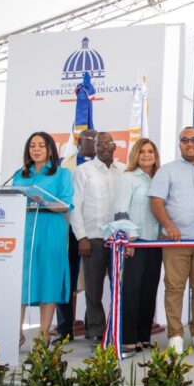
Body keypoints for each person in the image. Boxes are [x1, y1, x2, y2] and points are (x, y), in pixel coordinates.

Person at [149, 127, 194, 354]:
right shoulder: (167, 171)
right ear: (180, 144)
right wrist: (169, 226)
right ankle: (175, 334)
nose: (190, 144)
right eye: (185, 140)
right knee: (174, 288)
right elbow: (156, 201)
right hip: (176, 240)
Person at [14, 132, 73, 347]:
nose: (36, 149)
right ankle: (15, 332)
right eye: (32, 145)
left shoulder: (62, 173)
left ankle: (43, 334)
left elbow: (65, 204)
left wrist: (43, 201)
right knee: (19, 280)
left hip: (50, 229)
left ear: (50, 149)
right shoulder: (20, 174)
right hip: (23, 230)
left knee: (48, 279)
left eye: (41, 145)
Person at [70, 131, 125, 345]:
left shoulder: (124, 170)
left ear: (114, 146)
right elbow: (75, 206)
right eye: (99, 144)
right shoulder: (83, 171)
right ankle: (96, 331)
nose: (103, 147)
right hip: (92, 238)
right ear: (94, 148)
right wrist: (81, 237)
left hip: (119, 239)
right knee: (93, 289)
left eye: (107, 143)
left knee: (120, 287)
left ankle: (118, 328)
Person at [112, 138, 162, 358]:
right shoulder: (128, 178)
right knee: (132, 290)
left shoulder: (160, 178)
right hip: (135, 242)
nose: (146, 155)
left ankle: (143, 335)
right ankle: (129, 338)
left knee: (149, 289)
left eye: (150, 151)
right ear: (135, 155)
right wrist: (128, 238)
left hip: (156, 242)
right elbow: (120, 210)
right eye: (142, 151)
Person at [54, 128, 96, 343]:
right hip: (67, 231)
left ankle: (92, 327)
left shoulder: (106, 165)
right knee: (65, 280)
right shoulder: (62, 164)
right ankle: (64, 329)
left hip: (94, 232)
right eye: (89, 139)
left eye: (97, 139)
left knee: (93, 281)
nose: (94, 142)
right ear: (78, 142)